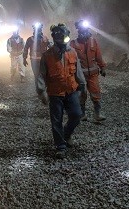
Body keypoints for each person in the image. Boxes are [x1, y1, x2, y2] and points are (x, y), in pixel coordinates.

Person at [36, 23, 86, 159]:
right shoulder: (47, 55)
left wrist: (82, 86)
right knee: (56, 120)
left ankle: (66, 134)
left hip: (71, 91)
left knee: (76, 115)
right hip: (55, 93)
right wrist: (42, 92)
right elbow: (41, 75)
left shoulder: (72, 53)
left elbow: (78, 71)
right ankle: (60, 146)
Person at [70, 19, 107, 123]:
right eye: (81, 29)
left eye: (85, 29)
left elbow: (98, 55)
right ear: (78, 30)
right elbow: (70, 59)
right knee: (82, 94)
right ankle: (82, 114)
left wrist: (102, 67)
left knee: (95, 92)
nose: (84, 31)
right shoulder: (73, 44)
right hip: (80, 75)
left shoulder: (93, 41)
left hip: (93, 74)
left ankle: (97, 114)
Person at [23, 22, 52, 87]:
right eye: (37, 30)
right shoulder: (30, 39)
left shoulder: (45, 38)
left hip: (44, 60)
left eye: (40, 30)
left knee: (45, 74)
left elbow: (50, 47)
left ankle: (45, 87)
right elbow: (25, 49)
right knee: (37, 75)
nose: (39, 31)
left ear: (41, 30)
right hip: (34, 60)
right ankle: (39, 88)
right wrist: (24, 58)